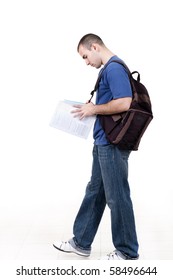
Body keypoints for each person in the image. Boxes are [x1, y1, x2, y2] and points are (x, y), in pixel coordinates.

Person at [53, 34, 139, 260]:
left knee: (117, 196)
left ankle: (127, 251)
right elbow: (113, 103)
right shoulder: (109, 69)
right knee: (95, 192)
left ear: (94, 46)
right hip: (103, 142)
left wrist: (94, 110)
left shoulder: (113, 68)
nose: (86, 62)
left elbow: (124, 102)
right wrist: (92, 107)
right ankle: (81, 241)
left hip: (112, 144)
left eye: (85, 56)